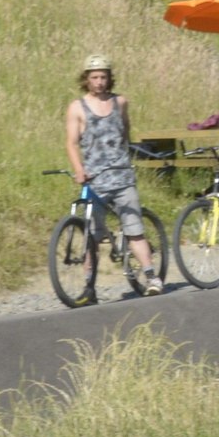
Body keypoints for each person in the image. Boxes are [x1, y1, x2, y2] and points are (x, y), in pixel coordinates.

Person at [63, 53, 164, 298]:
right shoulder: (77, 107)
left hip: (122, 177)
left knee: (134, 230)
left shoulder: (120, 103)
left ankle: (152, 277)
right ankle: (89, 287)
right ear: (86, 79)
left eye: (103, 77)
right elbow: (72, 143)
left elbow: (125, 133)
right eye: (94, 77)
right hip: (94, 181)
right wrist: (79, 169)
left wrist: (125, 159)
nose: (99, 82)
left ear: (110, 78)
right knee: (91, 237)